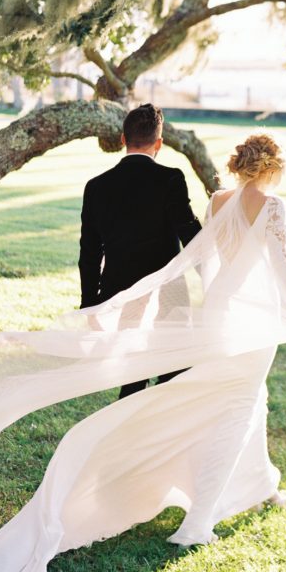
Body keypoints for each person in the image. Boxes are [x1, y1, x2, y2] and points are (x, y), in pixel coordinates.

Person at [0, 132, 286, 572]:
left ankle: (260, 483)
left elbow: (210, 266)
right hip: (254, 323)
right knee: (237, 405)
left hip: (219, 316)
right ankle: (196, 523)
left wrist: (215, 312)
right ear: (273, 165)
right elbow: (284, 267)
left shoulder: (219, 200)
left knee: (244, 400)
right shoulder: (273, 205)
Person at [79, 102, 201, 399]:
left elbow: (90, 251)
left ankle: (132, 419)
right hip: (167, 289)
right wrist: (216, 271)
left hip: (121, 291)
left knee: (133, 370)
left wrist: (90, 303)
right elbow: (190, 234)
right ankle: (160, 422)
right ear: (159, 143)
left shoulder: (96, 186)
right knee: (174, 363)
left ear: (123, 139)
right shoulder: (171, 178)